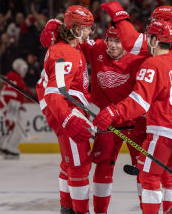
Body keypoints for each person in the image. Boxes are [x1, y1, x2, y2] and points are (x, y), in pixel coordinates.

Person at [101, 2, 172, 213]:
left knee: (155, 175)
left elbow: (130, 42)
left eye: (154, 21)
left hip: (167, 123)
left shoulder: (156, 59)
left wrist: (119, 16)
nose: (150, 25)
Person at [40, 22, 147, 213]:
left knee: (145, 172)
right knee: (102, 166)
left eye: (118, 41)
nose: (113, 45)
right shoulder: (97, 48)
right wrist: (54, 29)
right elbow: (73, 38)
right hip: (106, 120)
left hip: (134, 122)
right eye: (110, 40)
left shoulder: (140, 59)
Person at [36, 5, 95, 214]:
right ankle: (80, 211)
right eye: (87, 28)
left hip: (67, 109)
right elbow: (54, 93)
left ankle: (67, 208)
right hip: (67, 110)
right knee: (79, 166)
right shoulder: (66, 52)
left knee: (69, 162)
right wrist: (69, 119)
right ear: (77, 29)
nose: (90, 33)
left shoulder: (68, 44)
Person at [0, 58, 29, 160]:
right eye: (23, 69)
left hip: (11, 105)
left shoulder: (13, 78)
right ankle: (10, 148)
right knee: (15, 128)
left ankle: (0, 145)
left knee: (11, 126)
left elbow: (17, 93)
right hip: (11, 105)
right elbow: (10, 93)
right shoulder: (15, 78)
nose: (25, 72)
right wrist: (12, 105)